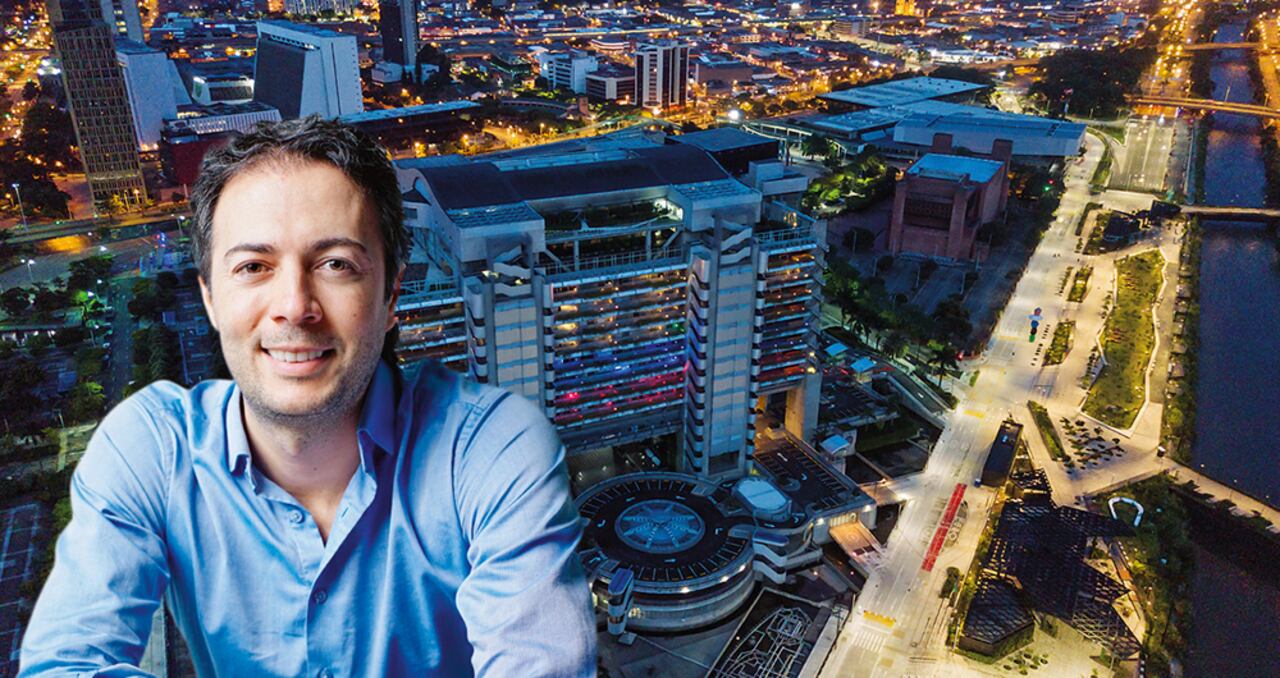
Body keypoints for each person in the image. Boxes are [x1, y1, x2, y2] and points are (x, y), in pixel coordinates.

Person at [20, 117, 595, 677]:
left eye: (336, 265)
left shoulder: (492, 446)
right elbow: (66, 664)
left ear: (391, 297)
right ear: (211, 298)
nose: (295, 306)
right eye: (253, 266)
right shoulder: (151, 449)